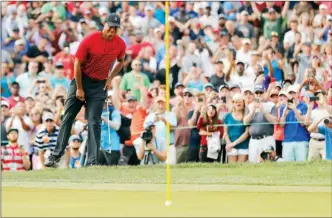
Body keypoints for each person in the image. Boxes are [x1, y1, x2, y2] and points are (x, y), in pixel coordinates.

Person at [45, 13, 126, 167]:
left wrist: (109, 78)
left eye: (116, 28)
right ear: (105, 25)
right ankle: (55, 155)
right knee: (68, 116)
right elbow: (77, 63)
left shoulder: (120, 44)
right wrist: (80, 88)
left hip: (99, 85)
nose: (112, 31)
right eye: (110, 27)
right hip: (81, 80)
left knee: (94, 122)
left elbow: (121, 61)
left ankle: (92, 161)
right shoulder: (91, 39)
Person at [224, 94, 249, 163]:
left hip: (244, 146)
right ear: (233, 103)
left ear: (243, 103)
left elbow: (246, 133)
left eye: (240, 101)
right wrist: (229, 143)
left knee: (241, 168)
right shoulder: (227, 116)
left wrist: (233, 143)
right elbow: (225, 133)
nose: (238, 103)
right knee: (232, 168)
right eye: (236, 101)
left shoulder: (246, 116)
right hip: (231, 145)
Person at [99, 91, 121, 166]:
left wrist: (104, 119)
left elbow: (117, 126)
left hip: (112, 146)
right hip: (100, 146)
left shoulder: (114, 111)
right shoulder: (96, 111)